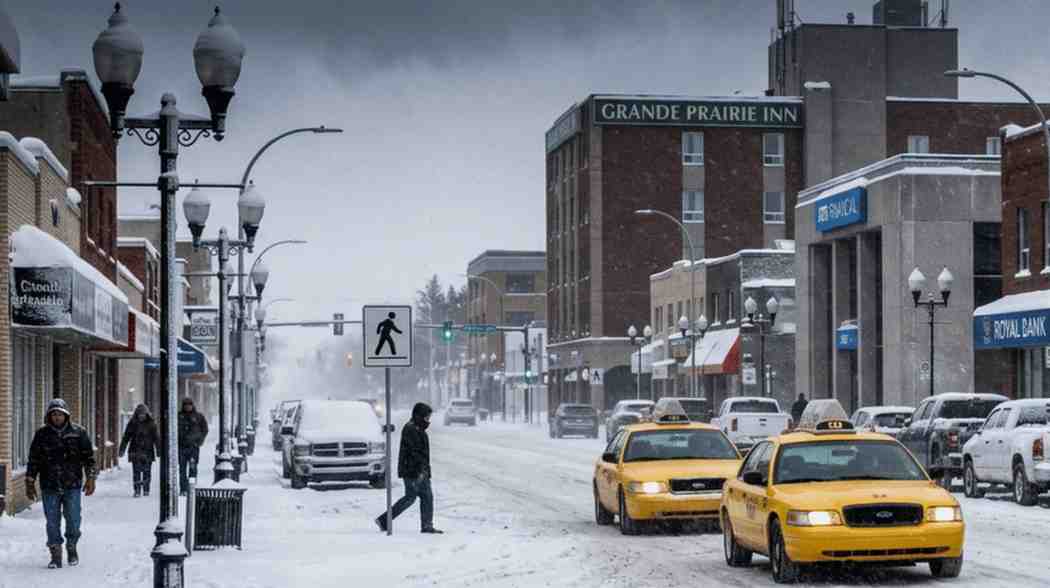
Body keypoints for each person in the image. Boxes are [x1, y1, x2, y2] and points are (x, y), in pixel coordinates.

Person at [25, 398, 96, 569]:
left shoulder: (78, 433)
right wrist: (30, 480)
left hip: (72, 484)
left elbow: (89, 458)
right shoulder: (42, 435)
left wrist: (91, 478)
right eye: (54, 414)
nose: (57, 417)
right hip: (49, 484)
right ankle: (55, 552)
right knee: (52, 521)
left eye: (60, 414)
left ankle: (72, 546)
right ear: (49, 416)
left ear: (66, 415)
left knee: (73, 518)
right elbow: (34, 459)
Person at [375, 402, 443, 534]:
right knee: (411, 497)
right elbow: (414, 452)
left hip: (419, 470)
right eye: (426, 417)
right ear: (419, 416)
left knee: (425, 497)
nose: (428, 420)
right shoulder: (411, 429)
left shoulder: (417, 428)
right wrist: (420, 470)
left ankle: (426, 525)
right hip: (413, 471)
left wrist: (425, 469)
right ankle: (384, 520)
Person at [119, 404, 160, 497]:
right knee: (136, 472)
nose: (141, 416)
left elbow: (156, 438)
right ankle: (137, 490)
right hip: (135, 450)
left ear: (146, 414)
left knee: (147, 471)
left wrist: (159, 450)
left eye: (143, 414)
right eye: (140, 414)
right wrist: (122, 449)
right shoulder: (132, 423)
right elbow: (126, 437)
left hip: (148, 451)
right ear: (137, 414)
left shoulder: (151, 424)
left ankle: (146, 489)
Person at [177, 397, 209, 495]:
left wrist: (199, 441)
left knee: (193, 468)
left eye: (189, 405)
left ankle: (191, 488)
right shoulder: (178, 416)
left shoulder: (199, 417)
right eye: (186, 405)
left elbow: (205, 429)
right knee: (182, 469)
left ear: (192, 405)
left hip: (193, 448)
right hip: (181, 447)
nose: (187, 407)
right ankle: (183, 489)